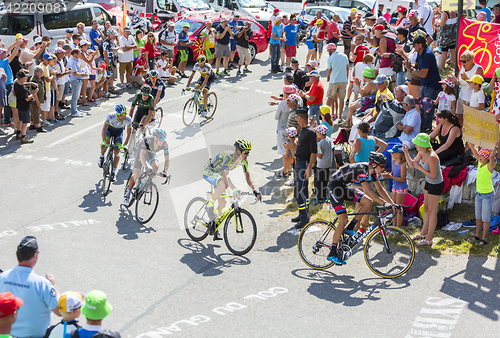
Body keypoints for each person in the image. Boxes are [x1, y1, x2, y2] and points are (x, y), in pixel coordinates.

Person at [326, 152, 394, 265]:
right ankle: (332, 253)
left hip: (343, 187)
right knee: (343, 220)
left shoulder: (371, 171)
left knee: (368, 202)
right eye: (382, 166)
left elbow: (380, 189)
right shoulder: (362, 170)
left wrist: (392, 203)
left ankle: (350, 227)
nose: (383, 169)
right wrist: (384, 203)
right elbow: (368, 190)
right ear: (374, 165)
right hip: (334, 187)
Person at [0, 236, 62, 338]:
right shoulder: (42, 284)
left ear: (17, 254)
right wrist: (54, 285)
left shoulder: (2, 277)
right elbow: (60, 310)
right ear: (35, 256)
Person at [203, 140, 262, 228]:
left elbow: (247, 176)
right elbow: (225, 175)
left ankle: (212, 224)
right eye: (246, 152)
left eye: (248, 152)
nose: (248, 155)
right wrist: (234, 189)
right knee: (223, 185)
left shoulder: (244, 161)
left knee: (223, 203)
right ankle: (209, 205)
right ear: (239, 151)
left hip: (219, 176)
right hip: (210, 171)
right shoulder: (229, 156)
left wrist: (255, 190)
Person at [403, 133, 443, 246]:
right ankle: (423, 233)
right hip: (429, 183)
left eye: (417, 143)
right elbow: (411, 165)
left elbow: (434, 175)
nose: (414, 145)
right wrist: (406, 153)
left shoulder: (432, 157)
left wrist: (419, 168)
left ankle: (429, 239)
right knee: (426, 208)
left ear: (423, 145)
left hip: (436, 184)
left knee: (432, 212)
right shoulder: (421, 152)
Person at [123, 128, 170, 206]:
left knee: (155, 166)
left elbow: (167, 159)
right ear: (155, 138)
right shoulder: (148, 141)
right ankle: (127, 193)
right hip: (141, 152)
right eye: (161, 139)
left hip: (151, 153)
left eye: (164, 139)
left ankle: (146, 182)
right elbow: (141, 155)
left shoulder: (164, 144)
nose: (163, 141)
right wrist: (145, 166)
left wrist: (165, 171)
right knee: (137, 173)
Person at [405, 36, 441, 132]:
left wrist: (411, 70)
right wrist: (410, 65)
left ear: (420, 45)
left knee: (427, 111)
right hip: (425, 85)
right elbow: (417, 65)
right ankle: (423, 128)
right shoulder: (420, 53)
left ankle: (427, 130)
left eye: (414, 45)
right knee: (422, 109)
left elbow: (423, 74)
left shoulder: (428, 54)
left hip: (432, 86)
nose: (413, 47)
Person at [466, 142, 496, 246]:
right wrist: (469, 139)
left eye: (483, 156)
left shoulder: (489, 167)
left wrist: (494, 147)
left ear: (487, 158)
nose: (480, 157)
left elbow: (492, 156)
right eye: (480, 155)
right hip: (479, 194)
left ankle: (484, 238)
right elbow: (473, 148)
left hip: (487, 195)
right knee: (478, 217)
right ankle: (477, 235)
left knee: (486, 218)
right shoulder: (479, 163)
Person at [292, 107, 317, 229]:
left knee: (298, 192)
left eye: (297, 117)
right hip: (299, 163)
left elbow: (313, 152)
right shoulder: (303, 129)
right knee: (304, 191)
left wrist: (309, 168)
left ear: (301, 117)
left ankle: (304, 218)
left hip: (304, 164)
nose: (296, 118)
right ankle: (303, 213)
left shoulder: (310, 132)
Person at [98, 104, 133, 181]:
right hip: (109, 130)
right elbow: (104, 128)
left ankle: (113, 172)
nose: (123, 116)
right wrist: (104, 141)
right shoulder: (111, 116)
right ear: (117, 114)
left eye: (125, 114)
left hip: (118, 132)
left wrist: (125, 145)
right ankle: (101, 155)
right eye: (121, 114)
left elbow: (129, 133)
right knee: (106, 144)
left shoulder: (128, 119)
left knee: (117, 152)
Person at [380, 144, 407, 228]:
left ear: (398, 154)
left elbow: (402, 179)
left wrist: (390, 176)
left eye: (392, 153)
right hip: (395, 186)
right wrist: (388, 174)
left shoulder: (403, 164)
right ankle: (393, 226)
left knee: (399, 208)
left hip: (401, 188)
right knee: (394, 207)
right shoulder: (393, 161)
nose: (391, 154)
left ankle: (398, 228)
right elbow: (393, 173)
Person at [456, 50, 484, 125]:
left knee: (468, 121)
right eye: (461, 61)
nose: (462, 63)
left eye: (464, 61)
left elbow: (478, 85)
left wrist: (467, 79)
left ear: (472, 61)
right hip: (461, 96)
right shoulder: (462, 67)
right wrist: (454, 80)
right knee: (459, 117)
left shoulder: (478, 69)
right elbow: (458, 82)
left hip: (471, 99)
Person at [325, 43, 348, 120]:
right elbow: (347, 68)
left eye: (328, 49)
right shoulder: (344, 56)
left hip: (334, 80)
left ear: (331, 49)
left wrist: (328, 78)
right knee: (341, 99)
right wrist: (346, 78)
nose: (328, 51)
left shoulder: (330, 58)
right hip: (343, 80)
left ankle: (325, 115)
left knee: (330, 98)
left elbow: (329, 70)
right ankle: (340, 116)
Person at [312, 124, 333, 205]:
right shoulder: (328, 139)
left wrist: (315, 150)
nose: (316, 133)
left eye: (317, 131)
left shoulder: (320, 143)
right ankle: (324, 196)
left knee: (318, 182)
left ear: (320, 133)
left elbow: (320, 156)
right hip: (328, 164)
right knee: (324, 181)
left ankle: (319, 199)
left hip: (321, 165)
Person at [13, 71, 36, 144]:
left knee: (20, 119)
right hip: (25, 106)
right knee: (25, 122)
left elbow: (14, 93)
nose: (26, 78)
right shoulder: (23, 88)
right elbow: (27, 98)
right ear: (21, 78)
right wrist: (33, 93)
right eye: (24, 77)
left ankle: (18, 133)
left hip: (19, 104)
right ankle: (23, 137)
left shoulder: (16, 84)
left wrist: (30, 83)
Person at [275, 87, 292, 178]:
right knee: (290, 152)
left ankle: (285, 172)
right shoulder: (298, 101)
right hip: (291, 129)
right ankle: (289, 169)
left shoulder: (282, 104)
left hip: (282, 129)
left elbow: (276, 117)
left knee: (284, 153)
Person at [66, 49, 85, 118]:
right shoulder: (73, 61)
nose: (80, 54)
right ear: (75, 54)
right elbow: (74, 73)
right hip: (76, 80)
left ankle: (75, 110)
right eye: (79, 53)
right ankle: (74, 112)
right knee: (75, 97)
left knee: (76, 97)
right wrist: (83, 74)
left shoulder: (73, 60)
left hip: (76, 80)